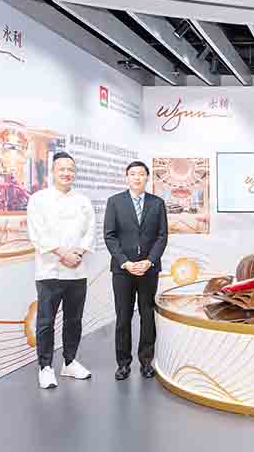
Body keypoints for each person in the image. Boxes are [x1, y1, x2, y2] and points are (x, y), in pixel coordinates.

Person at [27, 151, 95, 389]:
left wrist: (78, 253)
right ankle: (45, 367)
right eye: (62, 169)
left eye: (71, 170)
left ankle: (69, 362)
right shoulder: (38, 199)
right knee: (46, 321)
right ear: (53, 172)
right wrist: (63, 253)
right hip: (49, 271)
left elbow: (90, 232)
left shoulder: (83, 201)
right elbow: (37, 234)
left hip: (77, 270)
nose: (67, 173)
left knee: (74, 320)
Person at [104, 161, 168, 381]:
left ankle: (146, 362)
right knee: (123, 317)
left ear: (147, 177)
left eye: (141, 174)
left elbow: (162, 236)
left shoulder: (157, 203)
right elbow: (109, 236)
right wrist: (125, 262)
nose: (137, 177)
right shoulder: (115, 202)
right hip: (123, 270)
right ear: (127, 178)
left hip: (148, 270)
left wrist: (150, 261)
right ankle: (123, 364)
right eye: (132, 174)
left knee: (147, 316)